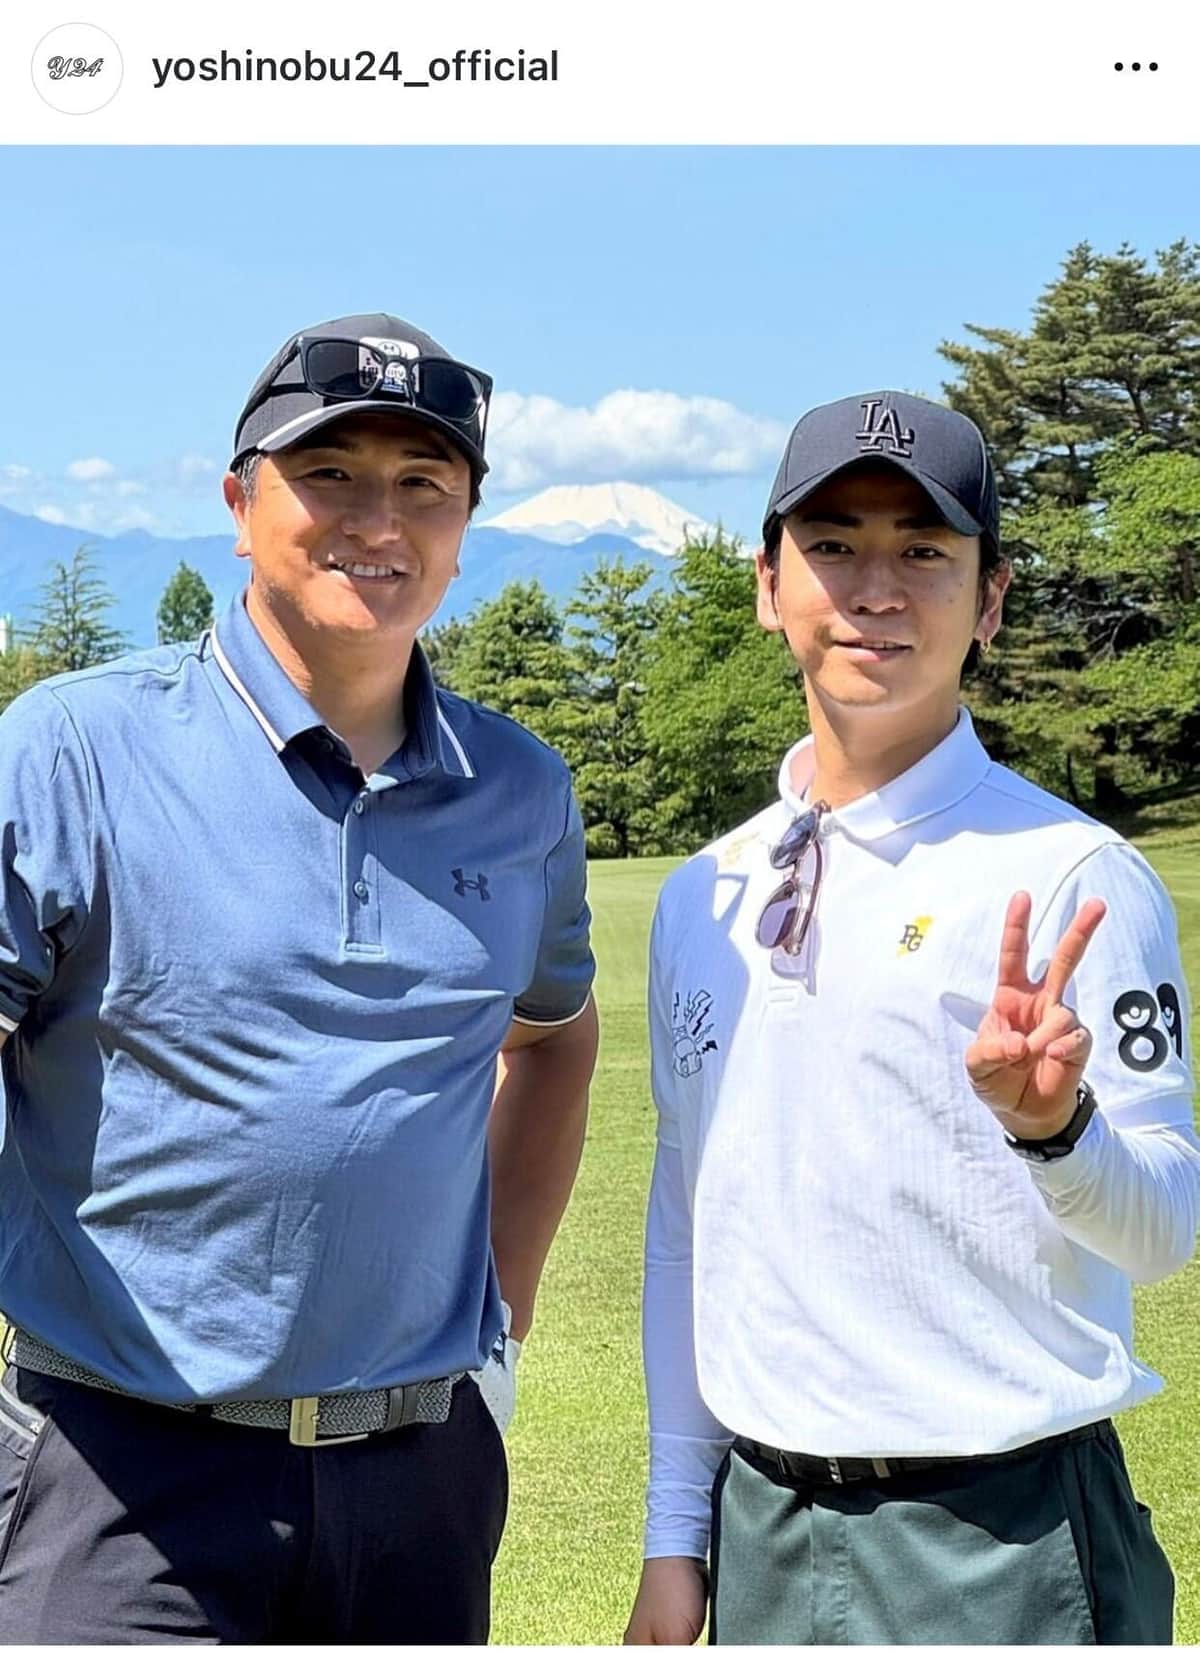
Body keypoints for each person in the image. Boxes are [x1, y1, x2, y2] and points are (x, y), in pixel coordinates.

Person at [0, 312, 598, 1643]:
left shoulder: (520, 790)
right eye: (328, 472)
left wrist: (501, 1308)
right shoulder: (71, 753)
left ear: (464, 523)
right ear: (238, 501)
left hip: (420, 1478)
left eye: (422, 484)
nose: (374, 517)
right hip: (117, 1472)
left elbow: (552, 1038)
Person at [623, 391, 1198, 1646]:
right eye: (832, 545)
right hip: (763, 1528)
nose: (876, 588)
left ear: (988, 600)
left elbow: (1163, 1229)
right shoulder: (699, 898)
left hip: (1006, 1539)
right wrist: (679, 1531)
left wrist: (1059, 1131)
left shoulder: (1073, 875)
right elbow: (689, 1225)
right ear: (769, 584)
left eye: (926, 552)